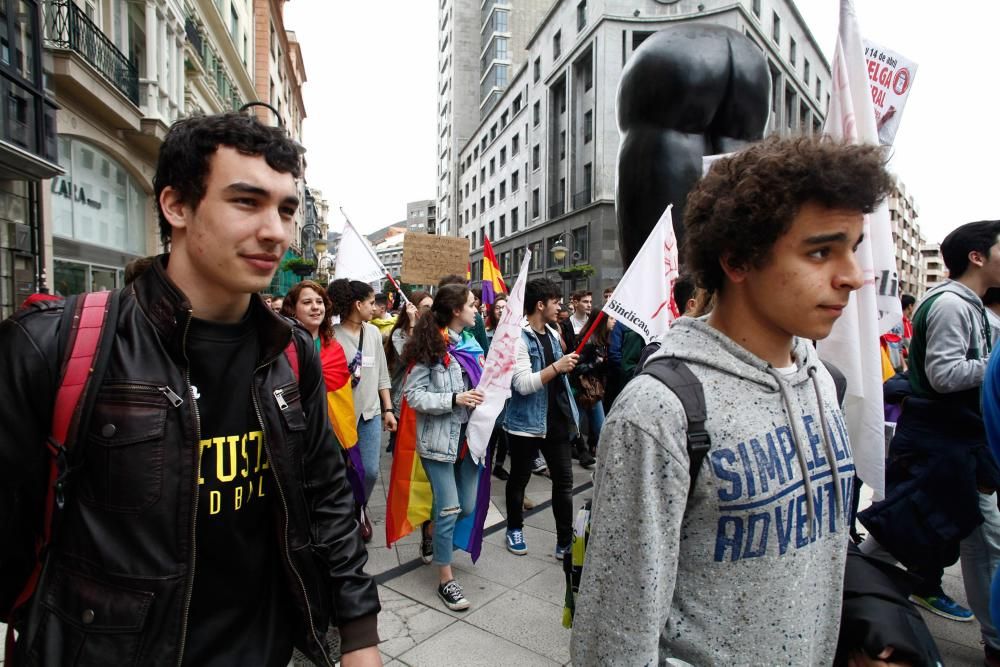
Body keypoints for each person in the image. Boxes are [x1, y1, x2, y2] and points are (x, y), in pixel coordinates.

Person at [0, 112, 381, 665]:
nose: (275, 229)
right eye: (247, 201)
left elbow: (325, 494)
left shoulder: (292, 351)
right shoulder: (52, 344)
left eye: (286, 208)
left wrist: (359, 633)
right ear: (176, 206)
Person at [572, 136, 896, 665]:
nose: (854, 277)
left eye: (854, 250)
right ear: (738, 260)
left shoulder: (821, 381)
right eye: (820, 251)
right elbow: (614, 635)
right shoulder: (658, 413)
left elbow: (819, 543)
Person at [863, 220, 1000, 663]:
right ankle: (851, 598)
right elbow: (944, 376)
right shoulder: (950, 305)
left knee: (977, 538)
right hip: (938, 442)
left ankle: (994, 639)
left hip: (955, 441)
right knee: (900, 532)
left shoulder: (970, 305)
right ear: (977, 256)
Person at [401, 284, 486, 610]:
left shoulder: (472, 343)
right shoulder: (432, 346)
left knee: (465, 507)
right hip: (438, 441)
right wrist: (454, 399)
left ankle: (434, 530)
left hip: (470, 441)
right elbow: (413, 395)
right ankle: (445, 579)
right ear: (455, 310)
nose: (476, 309)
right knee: (450, 508)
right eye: (471, 305)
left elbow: (482, 383)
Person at [503, 278, 580, 559]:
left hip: (556, 420)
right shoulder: (518, 337)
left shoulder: (552, 332)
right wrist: (557, 367)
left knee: (564, 481)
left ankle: (564, 541)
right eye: (556, 302)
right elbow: (522, 384)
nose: (560, 306)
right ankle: (514, 528)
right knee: (520, 478)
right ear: (540, 304)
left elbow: (556, 375)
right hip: (526, 423)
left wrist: (565, 366)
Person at [329, 278, 397, 539]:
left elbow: (381, 375)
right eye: (370, 302)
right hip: (338, 419)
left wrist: (388, 409)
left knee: (369, 470)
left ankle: (360, 506)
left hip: (370, 414)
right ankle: (344, 513)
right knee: (341, 470)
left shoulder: (373, 334)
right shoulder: (331, 336)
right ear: (358, 304)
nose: (374, 306)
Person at [385, 291, 432, 453]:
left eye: (433, 308)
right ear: (413, 308)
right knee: (402, 450)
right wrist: (413, 323)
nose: (430, 312)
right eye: (426, 307)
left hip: (425, 400)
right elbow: (412, 357)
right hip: (403, 400)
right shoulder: (400, 334)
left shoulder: (434, 333)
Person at [571, 309, 610, 461]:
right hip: (586, 390)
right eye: (610, 319)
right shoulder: (588, 341)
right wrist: (595, 363)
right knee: (577, 428)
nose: (613, 322)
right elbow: (576, 367)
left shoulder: (601, 340)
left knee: (575, 427)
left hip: (593, 391)